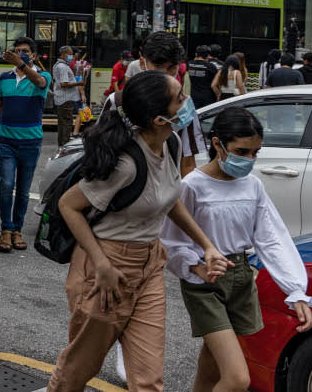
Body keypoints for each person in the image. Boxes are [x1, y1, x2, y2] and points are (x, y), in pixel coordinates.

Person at [47, 71, 230, 391]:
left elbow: (169, 200)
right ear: (159, 118)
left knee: (148, 379)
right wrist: (100, 264)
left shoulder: (171, 144)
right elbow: (68, 205)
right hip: (110, 268)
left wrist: (207, 245)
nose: (187, 103)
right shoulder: (126, 163)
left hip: (150, 267)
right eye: (179, 99)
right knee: (79, 369)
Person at [161, 107, 312, 392]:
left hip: (242, 279)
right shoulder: (191, 186)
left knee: (212, 363)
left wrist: (296, 291)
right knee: (237, 379)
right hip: (205, 283)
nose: (249, 160)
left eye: (255, 153)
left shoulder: (253, 186)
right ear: (217, 143)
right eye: (241, 152)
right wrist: (195, 266)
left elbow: (272, 238)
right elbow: (170, 241)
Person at [99, 32, 206, 177]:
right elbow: (101, 150)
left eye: (172, 68)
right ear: (143, 62)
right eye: (158, 66)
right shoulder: (117, 102)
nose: (165, 75)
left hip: (166, 191)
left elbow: (187, 163)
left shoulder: (184, 108)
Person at [0, 37, 49, 254]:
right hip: (6, 140)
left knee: (24, 190)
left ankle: (17, 229)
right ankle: (6, 229)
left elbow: (40, 83)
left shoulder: (43, 76)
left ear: (33, 55)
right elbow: (0, 106)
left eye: (25, 51)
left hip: (30, 142)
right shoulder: (4, 77)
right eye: (17, 51)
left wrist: (21, 65)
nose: (20, 54)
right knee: (6, 185)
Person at [52, 46, 80, 147]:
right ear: (64, 54)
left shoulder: (60, 65)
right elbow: (64, 84)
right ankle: (65, 145)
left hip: (62, 98)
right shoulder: (62, 67)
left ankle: (62, 145)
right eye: (70, 54)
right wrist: (79, 83)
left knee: (62, 123)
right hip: (66, 99)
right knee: (67, 123)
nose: (71, 56)